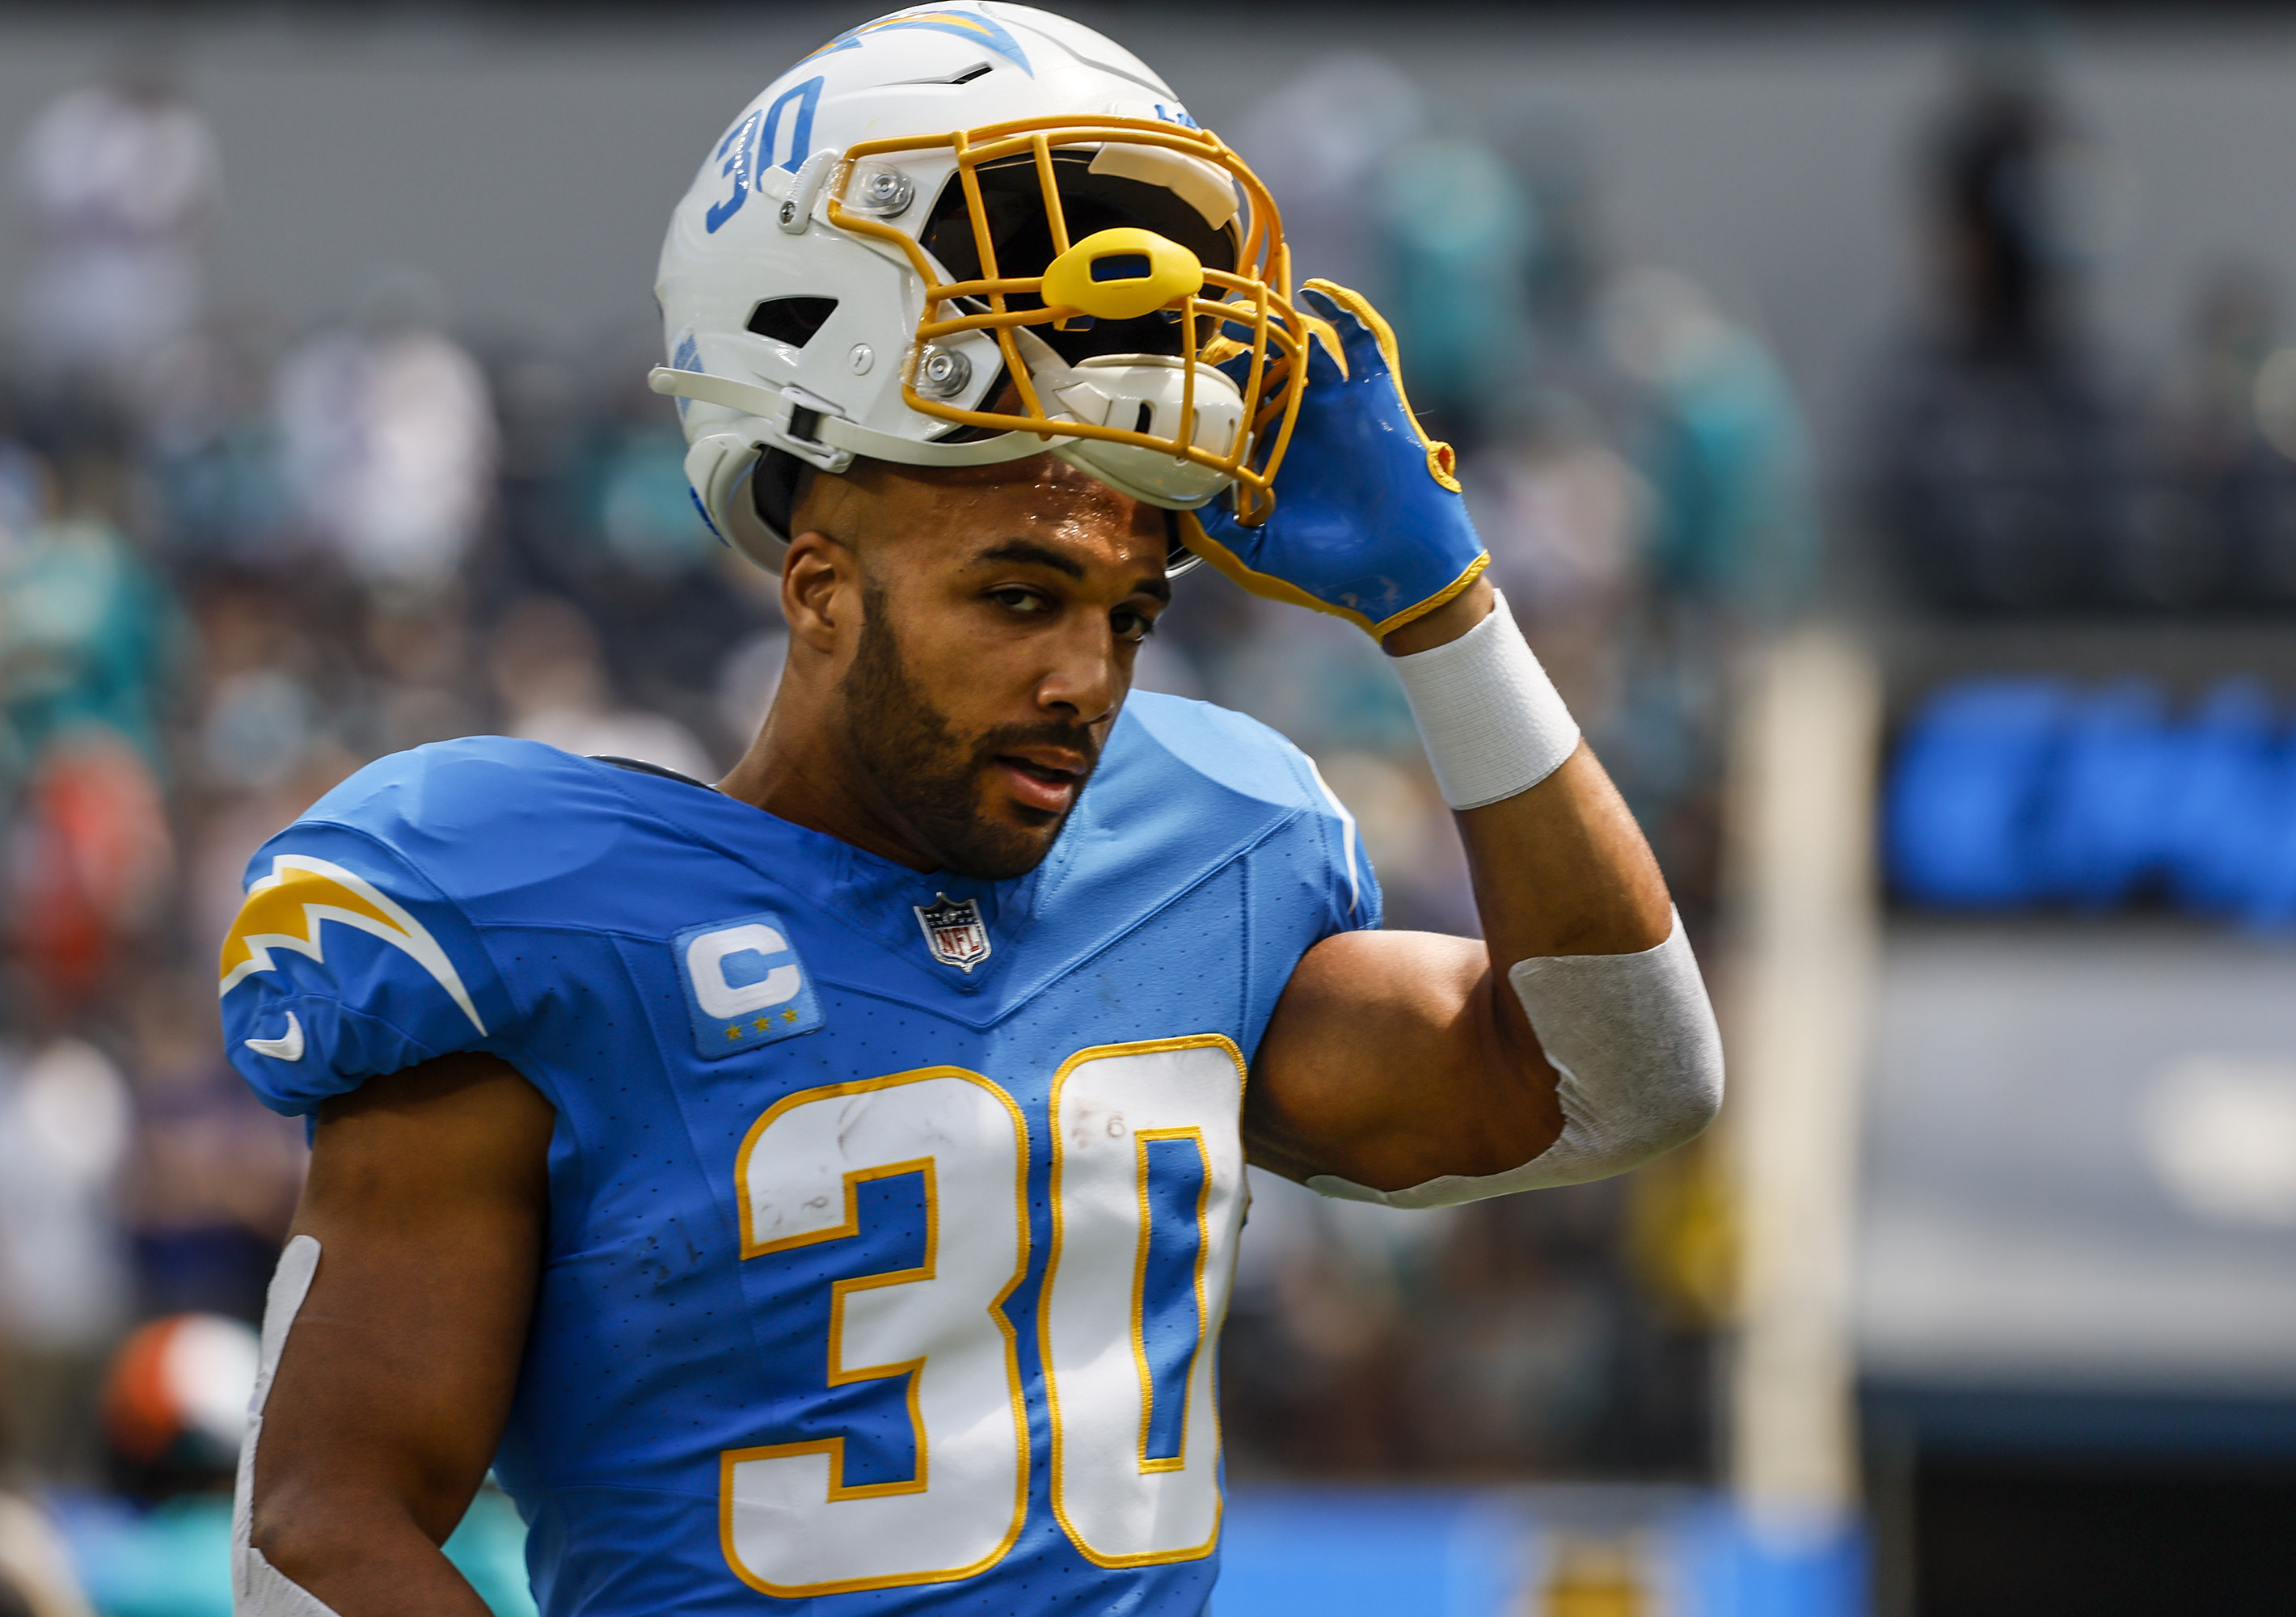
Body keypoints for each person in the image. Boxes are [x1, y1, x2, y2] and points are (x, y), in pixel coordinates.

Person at [216, 8, 1722, 1615]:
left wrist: (1448, 614)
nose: (1086, 674)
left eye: (1129, 613)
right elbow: (318, 1531)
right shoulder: (539, 919)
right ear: (819, 589)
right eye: (1019, 595)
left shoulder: (1200, 852)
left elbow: (1624, 1083)